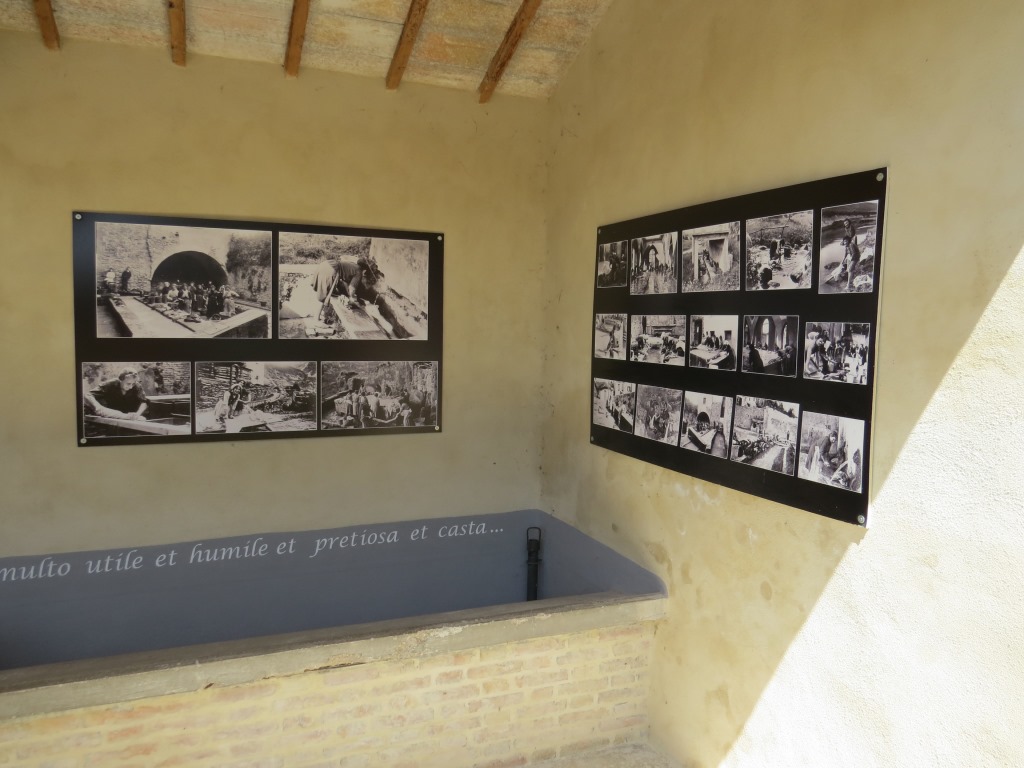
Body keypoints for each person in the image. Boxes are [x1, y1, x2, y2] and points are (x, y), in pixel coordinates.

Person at [311, 255, 412, 339]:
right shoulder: (359, 271)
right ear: (364, 271)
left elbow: (346, 283)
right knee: (323, 296)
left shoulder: (352, 266)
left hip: (325, 265)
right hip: (331, 270)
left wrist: (348, 295)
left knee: (323, 292)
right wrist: (352, 299)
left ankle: (318, 317)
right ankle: (316, 321)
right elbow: (351, 288)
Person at [84, 367, 148, 421]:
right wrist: (97, 407)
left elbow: (144, 402)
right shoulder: (110, 384)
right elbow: (88, 395)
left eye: (133, 384)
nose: (131, 387)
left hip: (129, 417)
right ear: (120, 380)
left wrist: (137, 414)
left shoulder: (137, 386)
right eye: (128, 384)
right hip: (113, 416)